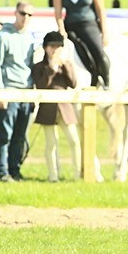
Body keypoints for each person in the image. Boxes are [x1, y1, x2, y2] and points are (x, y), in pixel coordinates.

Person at [32, 31, 92, 182]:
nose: (56, 49)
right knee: (51, 143)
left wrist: (65, 65)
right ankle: (53, 175)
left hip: (65, 108)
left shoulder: (67, 64)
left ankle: (77, 174)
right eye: (52, 46)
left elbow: (73, 83)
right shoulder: (39, 66)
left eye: (59, 46)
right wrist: (51, 68)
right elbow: (41, 85)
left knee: (74, 140)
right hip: (48, 108)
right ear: (46, 48)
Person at [0, 2, 36, 181]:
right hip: (9, 90)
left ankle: (14, 170)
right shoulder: (3, 37)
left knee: (19, 135)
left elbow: (32, 66)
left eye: (30, 15)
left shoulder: (30, 39)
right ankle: (1, 171)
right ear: (15, 13)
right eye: (23, 13)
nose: (25, 17)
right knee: (4, 135)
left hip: (26, 92)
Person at [51, 0, 110, 88]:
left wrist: (105, 32)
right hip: (70, 25)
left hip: (88, 25)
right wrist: (61, 29)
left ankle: (106, 80)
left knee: (98, 52)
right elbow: (58, 13)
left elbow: (101, 10)